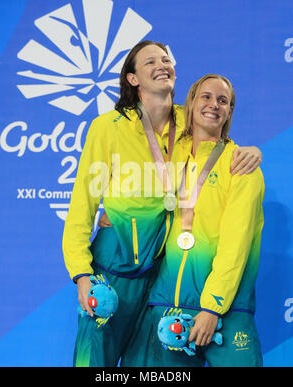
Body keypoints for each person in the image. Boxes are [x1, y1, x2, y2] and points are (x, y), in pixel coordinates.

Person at [62, 40, 262, 367]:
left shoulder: (189, 122)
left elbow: (219, 141)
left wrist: (253, 152)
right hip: (113, 270)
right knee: (94, 361)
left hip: (160, 278)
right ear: (132, 79)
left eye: (166, 59)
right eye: (150, 61)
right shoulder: (108, 129)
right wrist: (81, 273)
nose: (162, 64)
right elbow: (82, 207)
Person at [120, 74, 265, 367]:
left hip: (226, 310)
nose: (214, 105)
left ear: (229, 112)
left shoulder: (241, 166)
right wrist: (114, 216)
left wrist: (212, 308)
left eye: (223, 100)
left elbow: (236, 245)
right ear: (191, 104)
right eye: (207, 97)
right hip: (167, 306)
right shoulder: (170, 160)